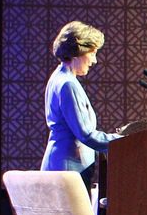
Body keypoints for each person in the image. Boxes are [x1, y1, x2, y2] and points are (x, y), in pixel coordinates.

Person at [41, 21, 120, 190]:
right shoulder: (68, 84)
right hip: (68, 168)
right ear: (79, 51)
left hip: (64, 165)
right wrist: (125, 140)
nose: (94, 61)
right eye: (93, 53)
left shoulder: (59, 77)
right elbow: (86, 135)